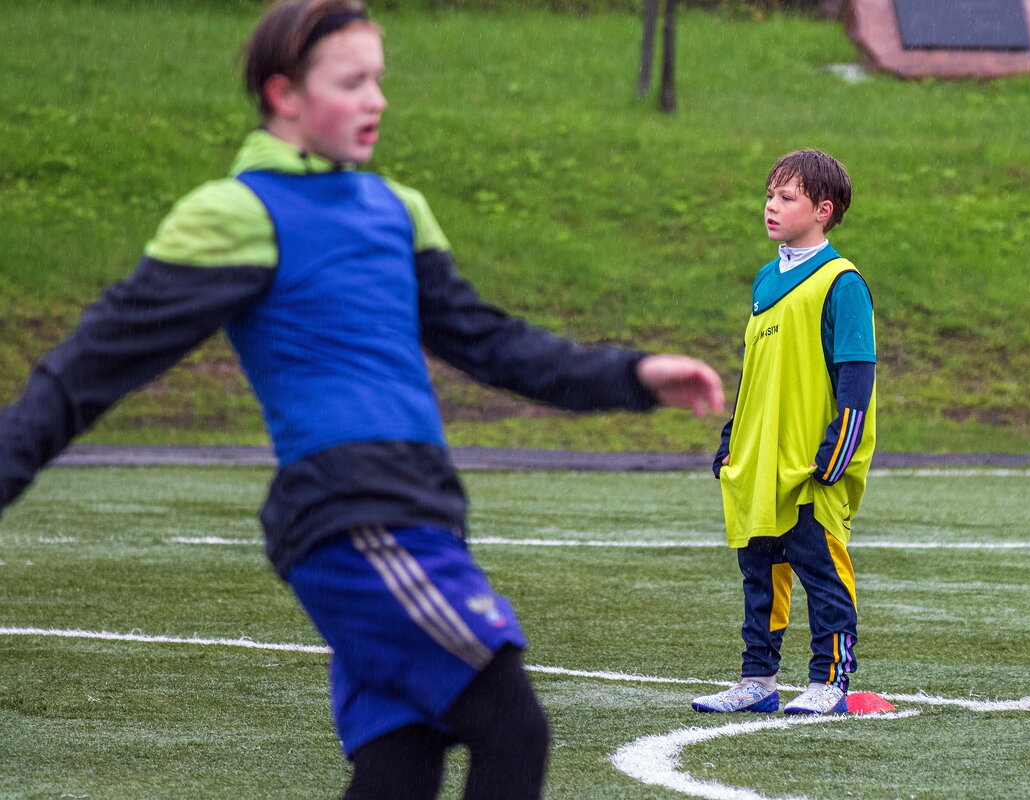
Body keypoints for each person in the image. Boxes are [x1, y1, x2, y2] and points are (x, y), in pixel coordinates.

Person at [0, 1, 724, 797]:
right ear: (284, 95)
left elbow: (492, 343)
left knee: (400, 762)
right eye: (352, 82)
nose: (376, 99)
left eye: (379, 78)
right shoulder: (234, 213)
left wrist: (633, 374)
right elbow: (86, 370)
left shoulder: (395, 208)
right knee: (512, 726)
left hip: (420, 509)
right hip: (353, 514)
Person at [691, 149, 876, 716]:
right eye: (769, 194)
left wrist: (837, 448)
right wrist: (731, 439)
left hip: (809, 462)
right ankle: (758, 679)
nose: (771, 206)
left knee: (821, 571)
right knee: (760, 573)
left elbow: (855, 372)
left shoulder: (842, 283)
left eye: (786, 197)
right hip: (758, 460)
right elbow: (756, 372)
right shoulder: (766, 279)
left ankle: (829, 681)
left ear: (823, 210)